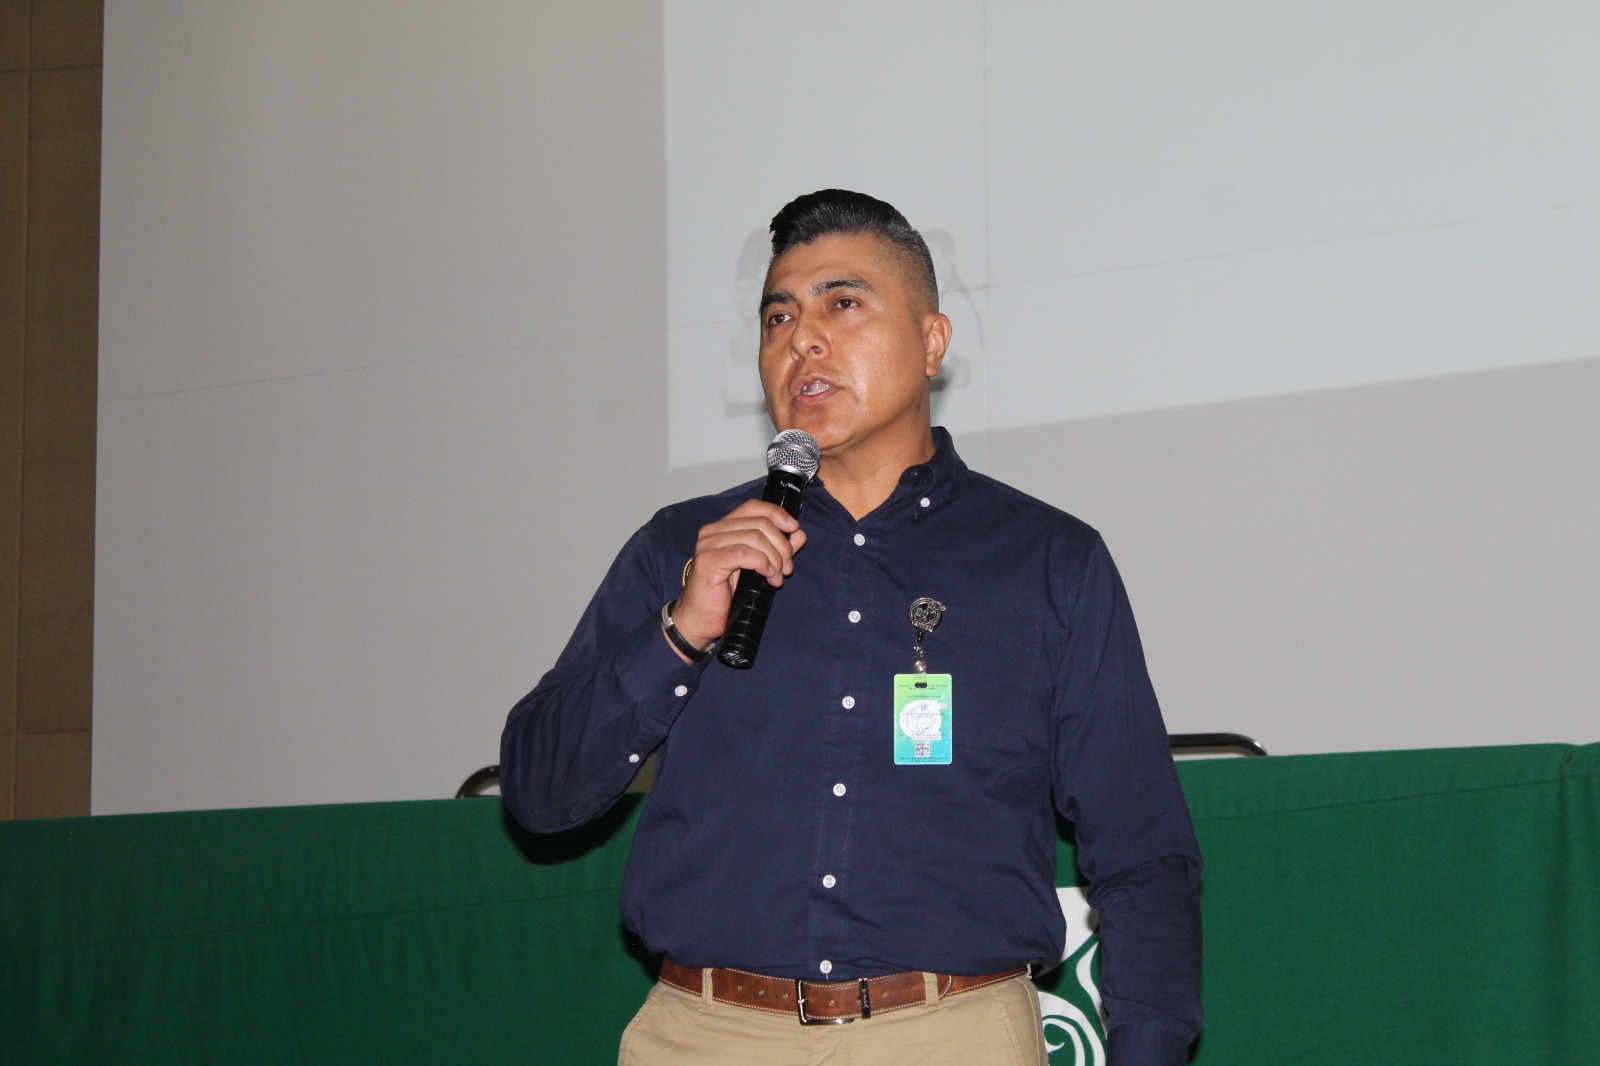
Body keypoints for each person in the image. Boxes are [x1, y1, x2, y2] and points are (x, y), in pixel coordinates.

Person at [501, 190, 1201, 1065]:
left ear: (932, 342)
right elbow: (539, 794)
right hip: (706, 1035)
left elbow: (1142, 852)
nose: (802, 339)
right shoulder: (683, 548)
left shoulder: (1047, 562)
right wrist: (678, 633)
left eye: (842, 304)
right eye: (779, 317)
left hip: (951, 1036)